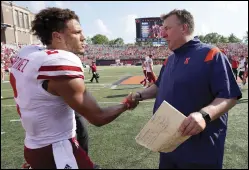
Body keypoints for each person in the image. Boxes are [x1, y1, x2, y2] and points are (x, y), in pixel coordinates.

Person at [10, 7, 137, 169]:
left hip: (33, 146)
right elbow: (98, 117)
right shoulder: (60, 61)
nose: (83, 38)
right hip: (57, 149)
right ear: (58, 36)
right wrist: (126, 105)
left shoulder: (28, 53)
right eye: (77, 33)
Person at [129, 9, 242, 169]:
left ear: (184, 27)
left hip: (201, 152)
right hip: (168, 148)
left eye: (167, 28)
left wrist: (204, 116)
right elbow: (158, 86)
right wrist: (139, 95)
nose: (162, 34)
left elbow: (229, 96)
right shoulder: (169, 60)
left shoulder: (211, 54)